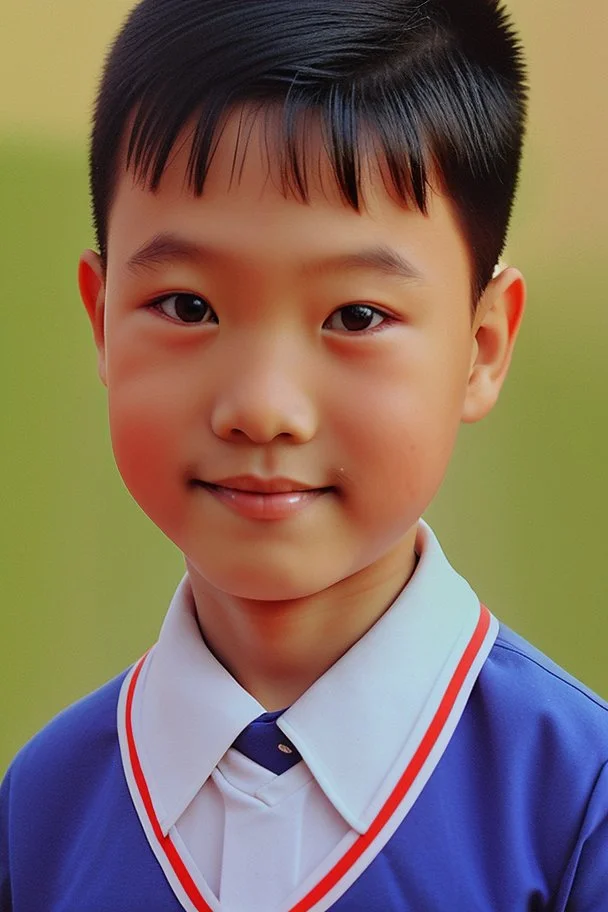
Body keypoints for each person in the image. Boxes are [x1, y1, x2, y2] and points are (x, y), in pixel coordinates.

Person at [1, 0, 607, 909]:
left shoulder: (576, 805)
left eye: (356, 316)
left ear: (482, 348)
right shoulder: (40, 808)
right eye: (187, 307)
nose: (262, 409)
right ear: (100, 321)